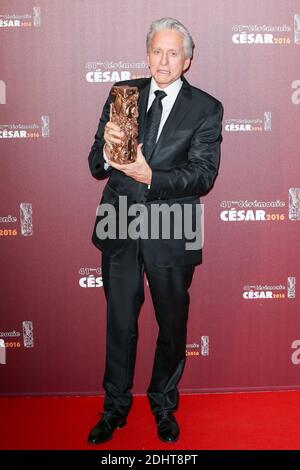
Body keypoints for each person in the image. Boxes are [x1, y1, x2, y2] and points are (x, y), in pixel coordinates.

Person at [87, 17, 223, 444]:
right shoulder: (122, 94)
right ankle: (115, 409)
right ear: (147, 55)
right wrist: (110, 155)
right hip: (121, 224)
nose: (163, 61)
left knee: (172, 325)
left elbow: (203, 175)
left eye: (173, 53)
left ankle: (164, 404)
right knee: (120, 323)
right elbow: (95, 163)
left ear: (187, 60)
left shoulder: (206, 108)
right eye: (156, 52)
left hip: (173, 226)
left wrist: (151, 176)